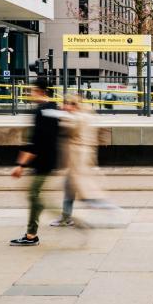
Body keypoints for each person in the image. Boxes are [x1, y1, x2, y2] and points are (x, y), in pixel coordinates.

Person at [50, 95, 118, 227]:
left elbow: (70, 128)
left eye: (67, 104)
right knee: (70, 189)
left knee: (86, 194)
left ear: (74, 105)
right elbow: (100, 131)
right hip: (81, 158)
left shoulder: (78, 118)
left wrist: (60, 116)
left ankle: (111, 209)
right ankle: (66, 217)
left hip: (77, 160)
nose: (64, 107)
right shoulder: (87, 115)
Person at [10, 77, 60, 246]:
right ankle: (32, 232)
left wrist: (20, 165)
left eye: (31, 90)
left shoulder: (40, 111)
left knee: (34, 195)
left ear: (40, 91)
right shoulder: (53, 108)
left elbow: (36, 142)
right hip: (51, 159)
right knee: (35, 195)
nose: (30, 94)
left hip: (42, 161)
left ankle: (32, 234)